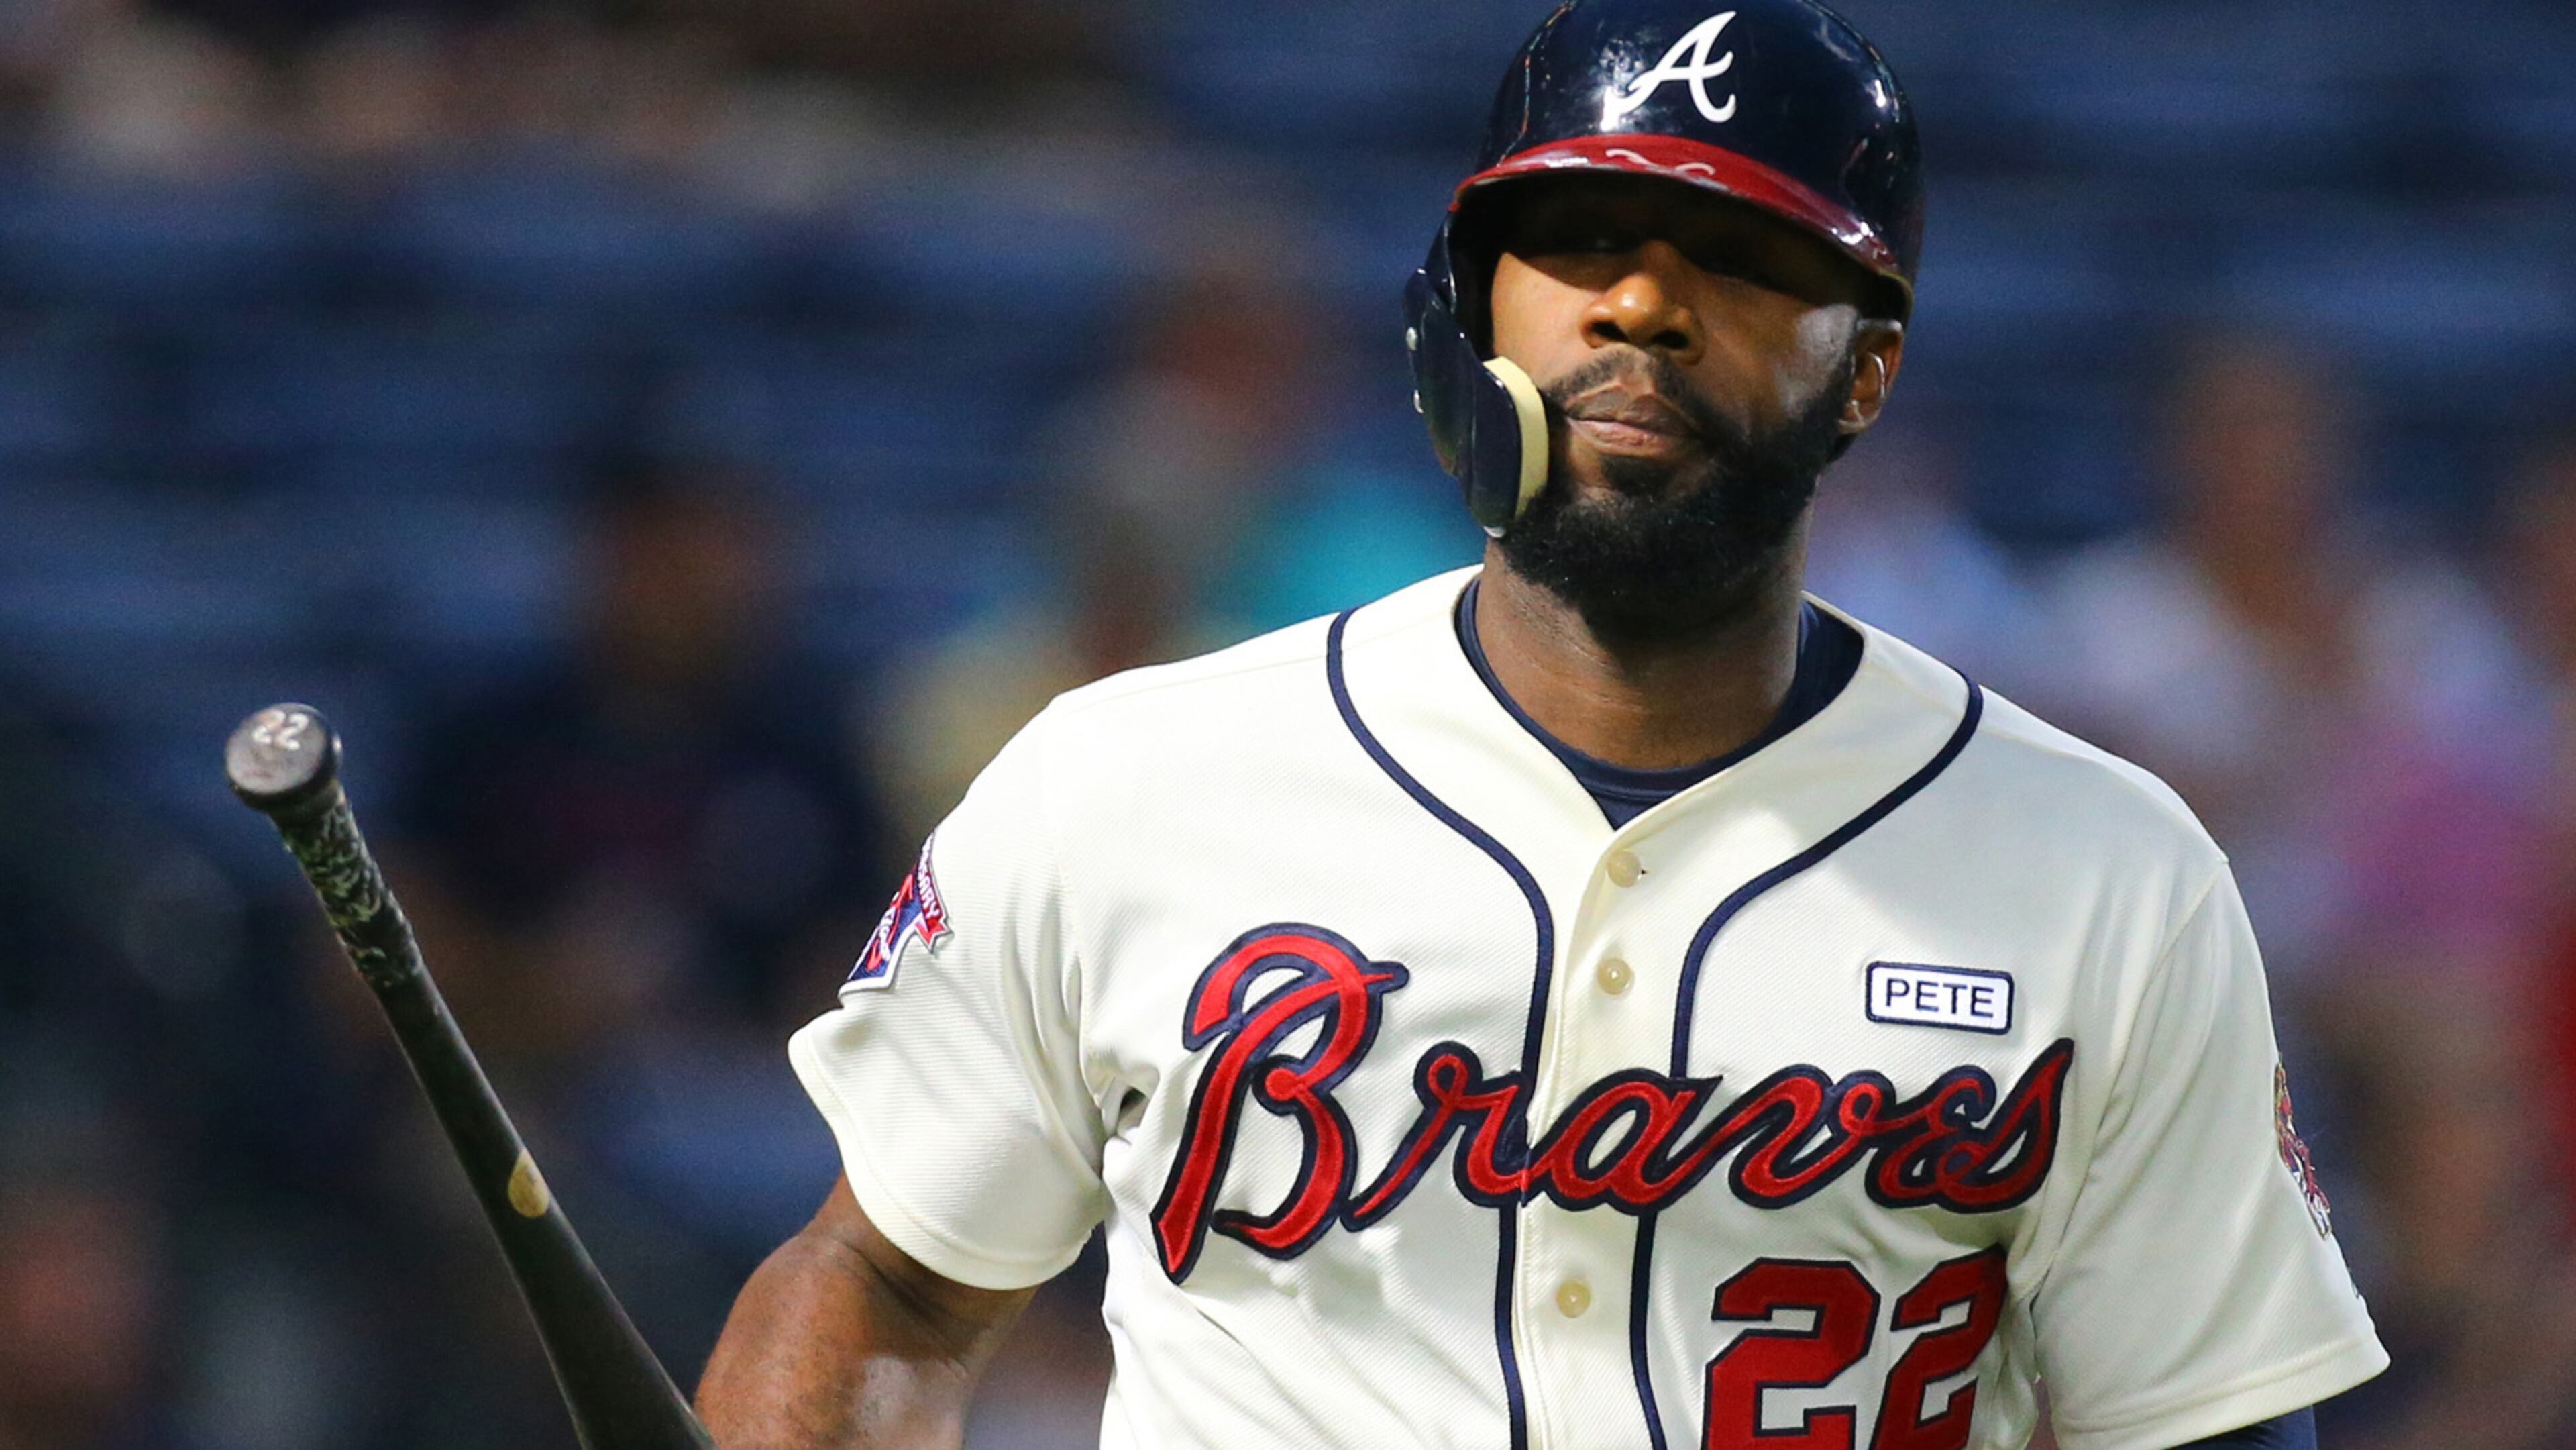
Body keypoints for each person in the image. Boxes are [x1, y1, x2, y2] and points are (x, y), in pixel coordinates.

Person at [696, 3, 2387, 1447]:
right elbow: (887, 1281)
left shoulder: (2107, 875)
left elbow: (2211, 1419)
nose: (1642, 306)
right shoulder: (1125, 783)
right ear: (1469, 300)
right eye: (1579, 239)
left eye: (1738, 258)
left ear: (1865, 369)